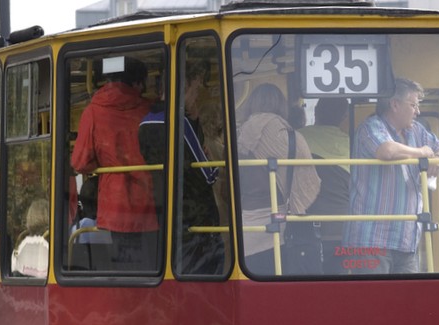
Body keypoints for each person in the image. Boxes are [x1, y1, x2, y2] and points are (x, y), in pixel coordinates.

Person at [345, 78, 439, 274]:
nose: (417, 111)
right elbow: (386, 151)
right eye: (413, 105)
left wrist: (438, 157)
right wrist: (422, 153)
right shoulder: (371, 127)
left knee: (408, 303)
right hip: (371, 241)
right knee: (373, 302)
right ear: (394, 104)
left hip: (407, 240)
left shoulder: (417, 130)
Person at [71, 56, 158, 271]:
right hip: (153, 205)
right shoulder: (150, 110)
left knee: (123, 276)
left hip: (115, 209)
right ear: (137, 83)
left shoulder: (93, 111)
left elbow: (80, 162)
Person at [139, 62, 224, 275]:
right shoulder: (181, 124)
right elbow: (208, 174)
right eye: (195, 90)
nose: (197, 97)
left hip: (165, 210)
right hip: (197, 217)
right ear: (182, 88)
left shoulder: (145, 124)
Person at [236, 83, 320, 275]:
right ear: (281, 106)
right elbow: (308, 183)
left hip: (245, 228)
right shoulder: (293, 138)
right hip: (281, 228)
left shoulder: (238, 136)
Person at [297, 97, 351, 274]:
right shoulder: (351, 143)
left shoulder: (298, 137)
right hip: (342, 228)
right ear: (344, 116)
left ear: (316, 112)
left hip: (304, 228)